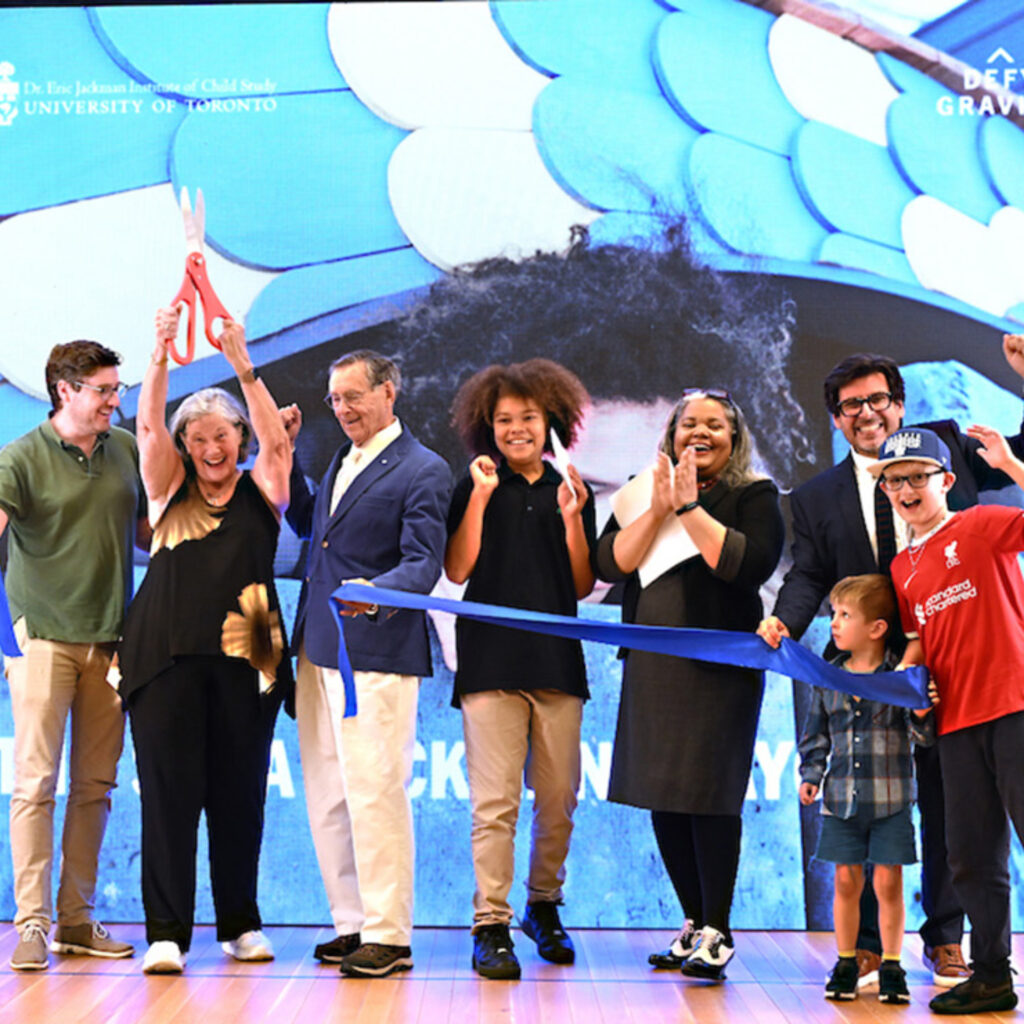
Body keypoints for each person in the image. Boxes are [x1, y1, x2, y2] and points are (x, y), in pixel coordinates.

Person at [757, 345, 1024, 988]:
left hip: (986, 687)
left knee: (954, 820)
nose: (868, 413)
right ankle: (889, 951)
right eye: (853, 406)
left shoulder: (963, 479)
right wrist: (785, 625)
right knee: (903, 821)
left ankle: (948, 943)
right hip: (885, 685)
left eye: (879, 399)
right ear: (838, 420)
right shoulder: (821, 499)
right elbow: (814, 577)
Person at [119, 308, 293, 975]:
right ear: (185, 445)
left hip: (247, 662)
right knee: (168, 797)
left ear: (240, 437)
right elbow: (146, 424)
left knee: (238, 796)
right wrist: (160, 354)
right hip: (163, 659)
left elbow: (279, 445)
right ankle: (166, 933)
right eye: (197, 437)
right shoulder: (166, 490)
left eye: (221, 435)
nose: (209, 447)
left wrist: (243, 363)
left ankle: (240, 925)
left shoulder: (263, 487)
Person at [593, 389, 784, 980]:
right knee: (664, 793)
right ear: (671, 436)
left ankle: (719, 930)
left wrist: (687, 507)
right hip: (652, 669)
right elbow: (608, 566)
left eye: (715, 426)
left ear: (735, 437)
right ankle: (693, 923)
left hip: (717, 668)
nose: (699, 434)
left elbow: (745, 566)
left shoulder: (753, 495)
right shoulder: (637, 491)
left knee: (709, 795)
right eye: (688, 425)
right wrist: (657, 505)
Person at [282, 349, 450, 978]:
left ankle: (389, 933)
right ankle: (351, 923)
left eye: (353, 396)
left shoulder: (424, 469)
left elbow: (422, 563)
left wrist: (372, 595)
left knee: (376, 792)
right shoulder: (339, 459)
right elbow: (312, 526)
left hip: (374, 653)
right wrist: (294, 455)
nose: (343, 409)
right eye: (335, 399)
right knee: (328, 795)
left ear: (389, 393)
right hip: (318, 648)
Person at [444, 359, 596, 981]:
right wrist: (479, 498)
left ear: (550, 418)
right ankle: (491, 924)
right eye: (504, 419)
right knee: (494, 802)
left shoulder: (569, 485)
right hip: (489, 663)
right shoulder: (475, 482)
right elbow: (457, 571)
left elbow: (583, 585)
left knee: (559, 796)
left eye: (528, 417)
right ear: (488, 424)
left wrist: (571, 515)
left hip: (557, 662)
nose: (516, 428)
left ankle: (544, 905)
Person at [870, 425, 1024, 1015]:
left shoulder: (982, 524)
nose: (906, 489)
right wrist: (902, 682)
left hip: (1013, 708)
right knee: (971, 856)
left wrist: (1010, 464)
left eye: (917, 477)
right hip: (955, 724)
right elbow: (919, 644)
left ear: (947, 482)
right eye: (894, 480)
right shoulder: (902, 568)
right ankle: (991, 975)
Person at [0, 341, 141, 970]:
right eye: (104, 390)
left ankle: (76, 921)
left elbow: (151, 532)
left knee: (96, 786)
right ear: (66, 390)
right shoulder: (19, 458)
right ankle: (32, 923)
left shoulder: (128, 448)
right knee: (35, 784)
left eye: (117, 389)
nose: (116, 400)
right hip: (41, 640)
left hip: (112, 640)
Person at [798, 574, 935, 1004]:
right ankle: (845, 959)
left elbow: (923, 737)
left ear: (877, 628)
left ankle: (892, 964)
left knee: (889, 882)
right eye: (833, 613)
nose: (834, 623)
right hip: (840, 802)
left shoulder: (900, 677)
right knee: (844, 881)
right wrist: (810, 775)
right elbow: (816, 735)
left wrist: (919, 710)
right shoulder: (827, 677)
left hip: (891, 801)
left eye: (844, 615)